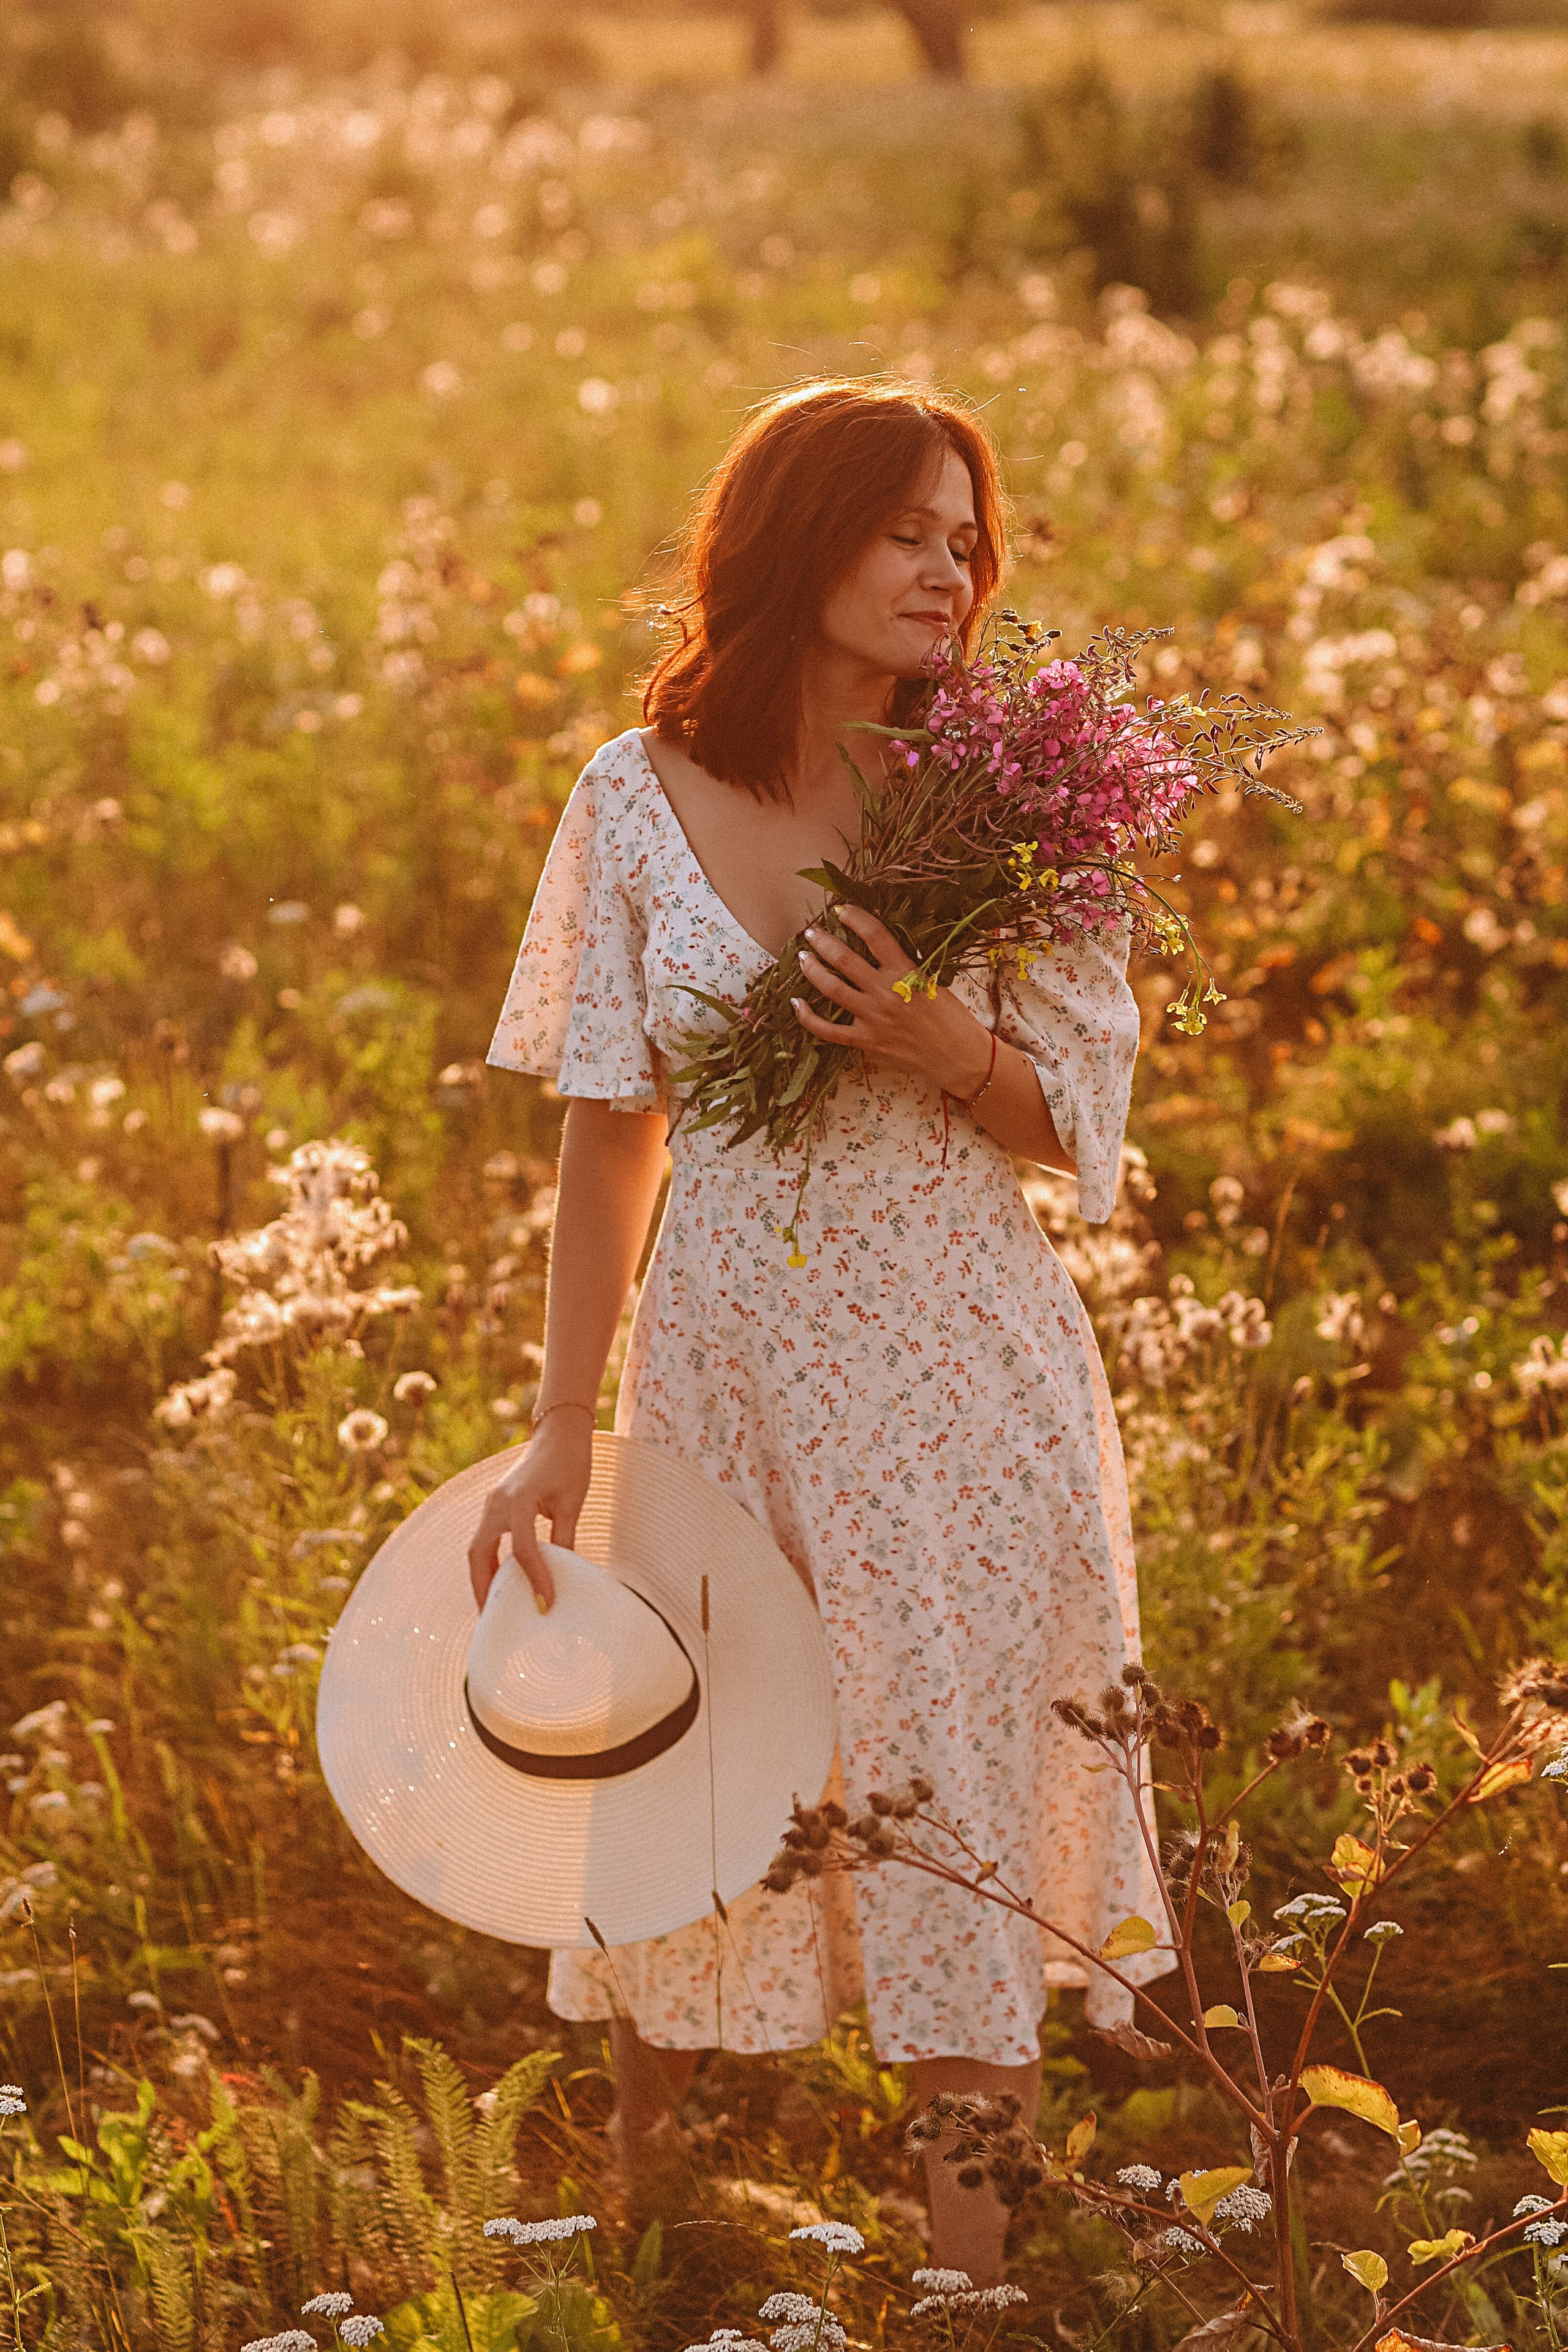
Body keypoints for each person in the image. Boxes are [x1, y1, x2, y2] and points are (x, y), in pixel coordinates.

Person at [472, 378, 1167, 2283]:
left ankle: (975, 2291)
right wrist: (560, 1430)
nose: (951, 571)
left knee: (944, 1799)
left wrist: (956, 1050)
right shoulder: (632, 797)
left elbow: (1081, 1121)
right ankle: (636, 2213)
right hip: (716, 1368)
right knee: (684, 1762)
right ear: (799, 540)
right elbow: (611, 1133)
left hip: (955, 1371)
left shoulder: (1014, 800)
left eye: (969, 539)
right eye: (907, 532)